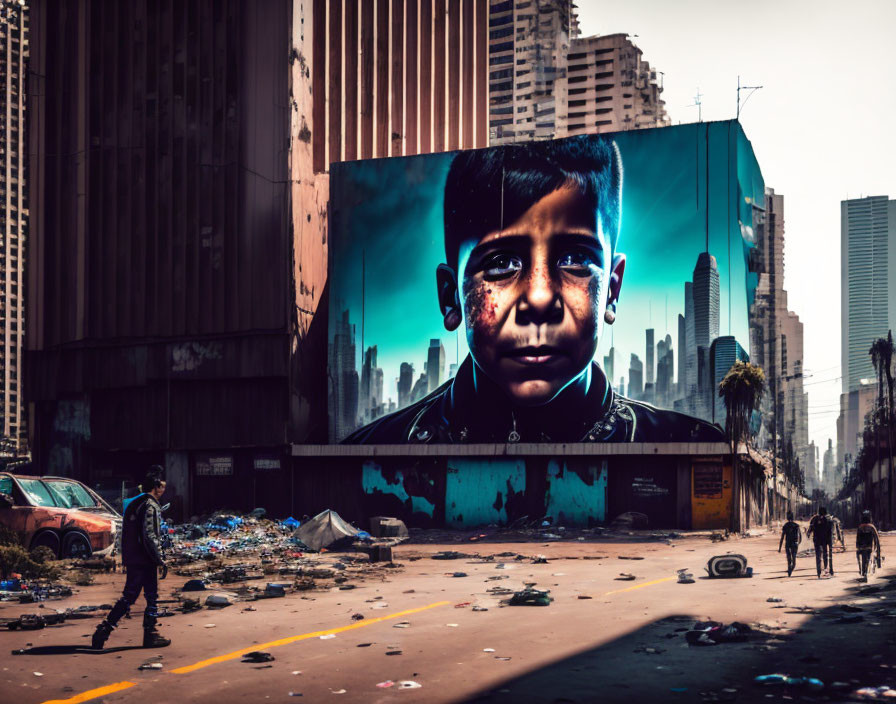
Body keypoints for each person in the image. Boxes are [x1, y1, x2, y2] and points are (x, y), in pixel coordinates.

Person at [345, 139, 725, 444]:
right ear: (450, 297)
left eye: (575, 258)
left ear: (612, 290)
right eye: (500, 263)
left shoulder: (689, 443)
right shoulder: (374, 449)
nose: (540, 298)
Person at [92, 467, 170, 649]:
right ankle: (105, 632)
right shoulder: (150, 505)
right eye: (162, 486)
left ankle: (107, 632)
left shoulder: (134, 503)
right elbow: (149, 534)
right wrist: (160, 558)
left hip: (134, 557)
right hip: (145, 559)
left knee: (143, 596)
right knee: (139, 596)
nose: (164, 490)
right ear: (157, 486)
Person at [807, 506, 834, 578]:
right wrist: (830, 541)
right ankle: (826, 569)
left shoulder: (815, 519)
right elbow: (830, 531)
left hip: (817, 540)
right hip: (825, 540)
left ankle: (818, 572)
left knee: (818, 556)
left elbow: (810, 528)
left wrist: (809, 534)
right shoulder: (828, 519)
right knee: (825, 554)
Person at [856, 510, 882, 582]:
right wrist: (878, 551)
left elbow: (857, 539)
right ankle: (866, 574)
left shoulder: (860, 527)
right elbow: (877, 539)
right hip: (869, 547)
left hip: (861, 547)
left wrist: (858, 547)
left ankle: (864, 573)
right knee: (869, 560)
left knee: (863, 560)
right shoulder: (872, 527)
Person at [778, 510, 802, 577]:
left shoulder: (785, 526)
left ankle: (789, 569)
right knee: (794, 559)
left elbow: (782, 537)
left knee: (789, 559)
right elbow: (799, 536)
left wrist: (779, 547)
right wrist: (799, 543)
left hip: (788, 544)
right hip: (794, 544)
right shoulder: (796, 525)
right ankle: (791, 569)